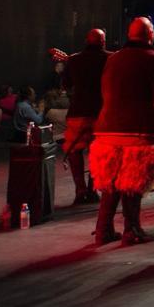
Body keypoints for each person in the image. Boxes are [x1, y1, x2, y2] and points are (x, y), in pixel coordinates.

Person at [89, 18, 154, 245]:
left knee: (111, 180)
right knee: (134, 180)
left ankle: (103, 229)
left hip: (107, 129)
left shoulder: (114, 58)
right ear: (150, 35)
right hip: (138, 129)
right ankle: (131, 229)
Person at [61, 29, 108, 204]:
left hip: (78, 111)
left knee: (74, 150)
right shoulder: (111, 58)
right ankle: (93, 188)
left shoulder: (74, 59)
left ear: (86, 41)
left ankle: (80, 190)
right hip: (102, 111)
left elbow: (66, 85)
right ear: (103, 41)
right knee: (99, 151)